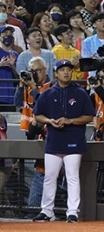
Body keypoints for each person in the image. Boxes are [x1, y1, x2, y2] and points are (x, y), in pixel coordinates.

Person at [32, 60, 96, 223]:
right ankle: (46, 211)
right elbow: (37, 114)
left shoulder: (80, 93)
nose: (66, 72)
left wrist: (70, 121)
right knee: (50, 176)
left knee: (72, 176)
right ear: (56, 73)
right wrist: (49, 120)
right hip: (53, 140)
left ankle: (72, 212)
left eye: (68, 69)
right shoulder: (47, 93)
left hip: (73, 140)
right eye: (62, 70)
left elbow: (89, 116)